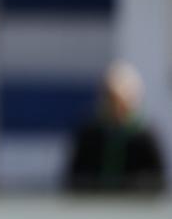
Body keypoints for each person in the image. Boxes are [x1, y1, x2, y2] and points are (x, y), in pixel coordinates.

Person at [65, 60, 165, 193]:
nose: (115, 107)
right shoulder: (89, 133)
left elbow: (156, 180)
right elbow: (75, 176)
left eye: (120, 101)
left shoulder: (144, 135)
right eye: (110, 99)